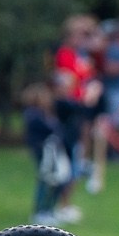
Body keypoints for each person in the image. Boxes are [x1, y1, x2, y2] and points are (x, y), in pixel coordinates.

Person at [51, 15, 99, 213]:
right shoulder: (65, 55)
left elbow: (89, 80)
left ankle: (67, 202)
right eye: (82, 35)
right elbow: (66, 84)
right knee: (70, 156)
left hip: (82, 111)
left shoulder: (83, 57)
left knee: (78, 156)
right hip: (70, 112)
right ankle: (61, 203)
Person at [21, 82, 69, 225]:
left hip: (51, 150)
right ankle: (40, 210)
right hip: (43, 151)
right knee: (45, 180)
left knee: (56, 179)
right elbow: (50, 130)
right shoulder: (34, 115)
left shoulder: (44, 113)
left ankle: (49, 209)